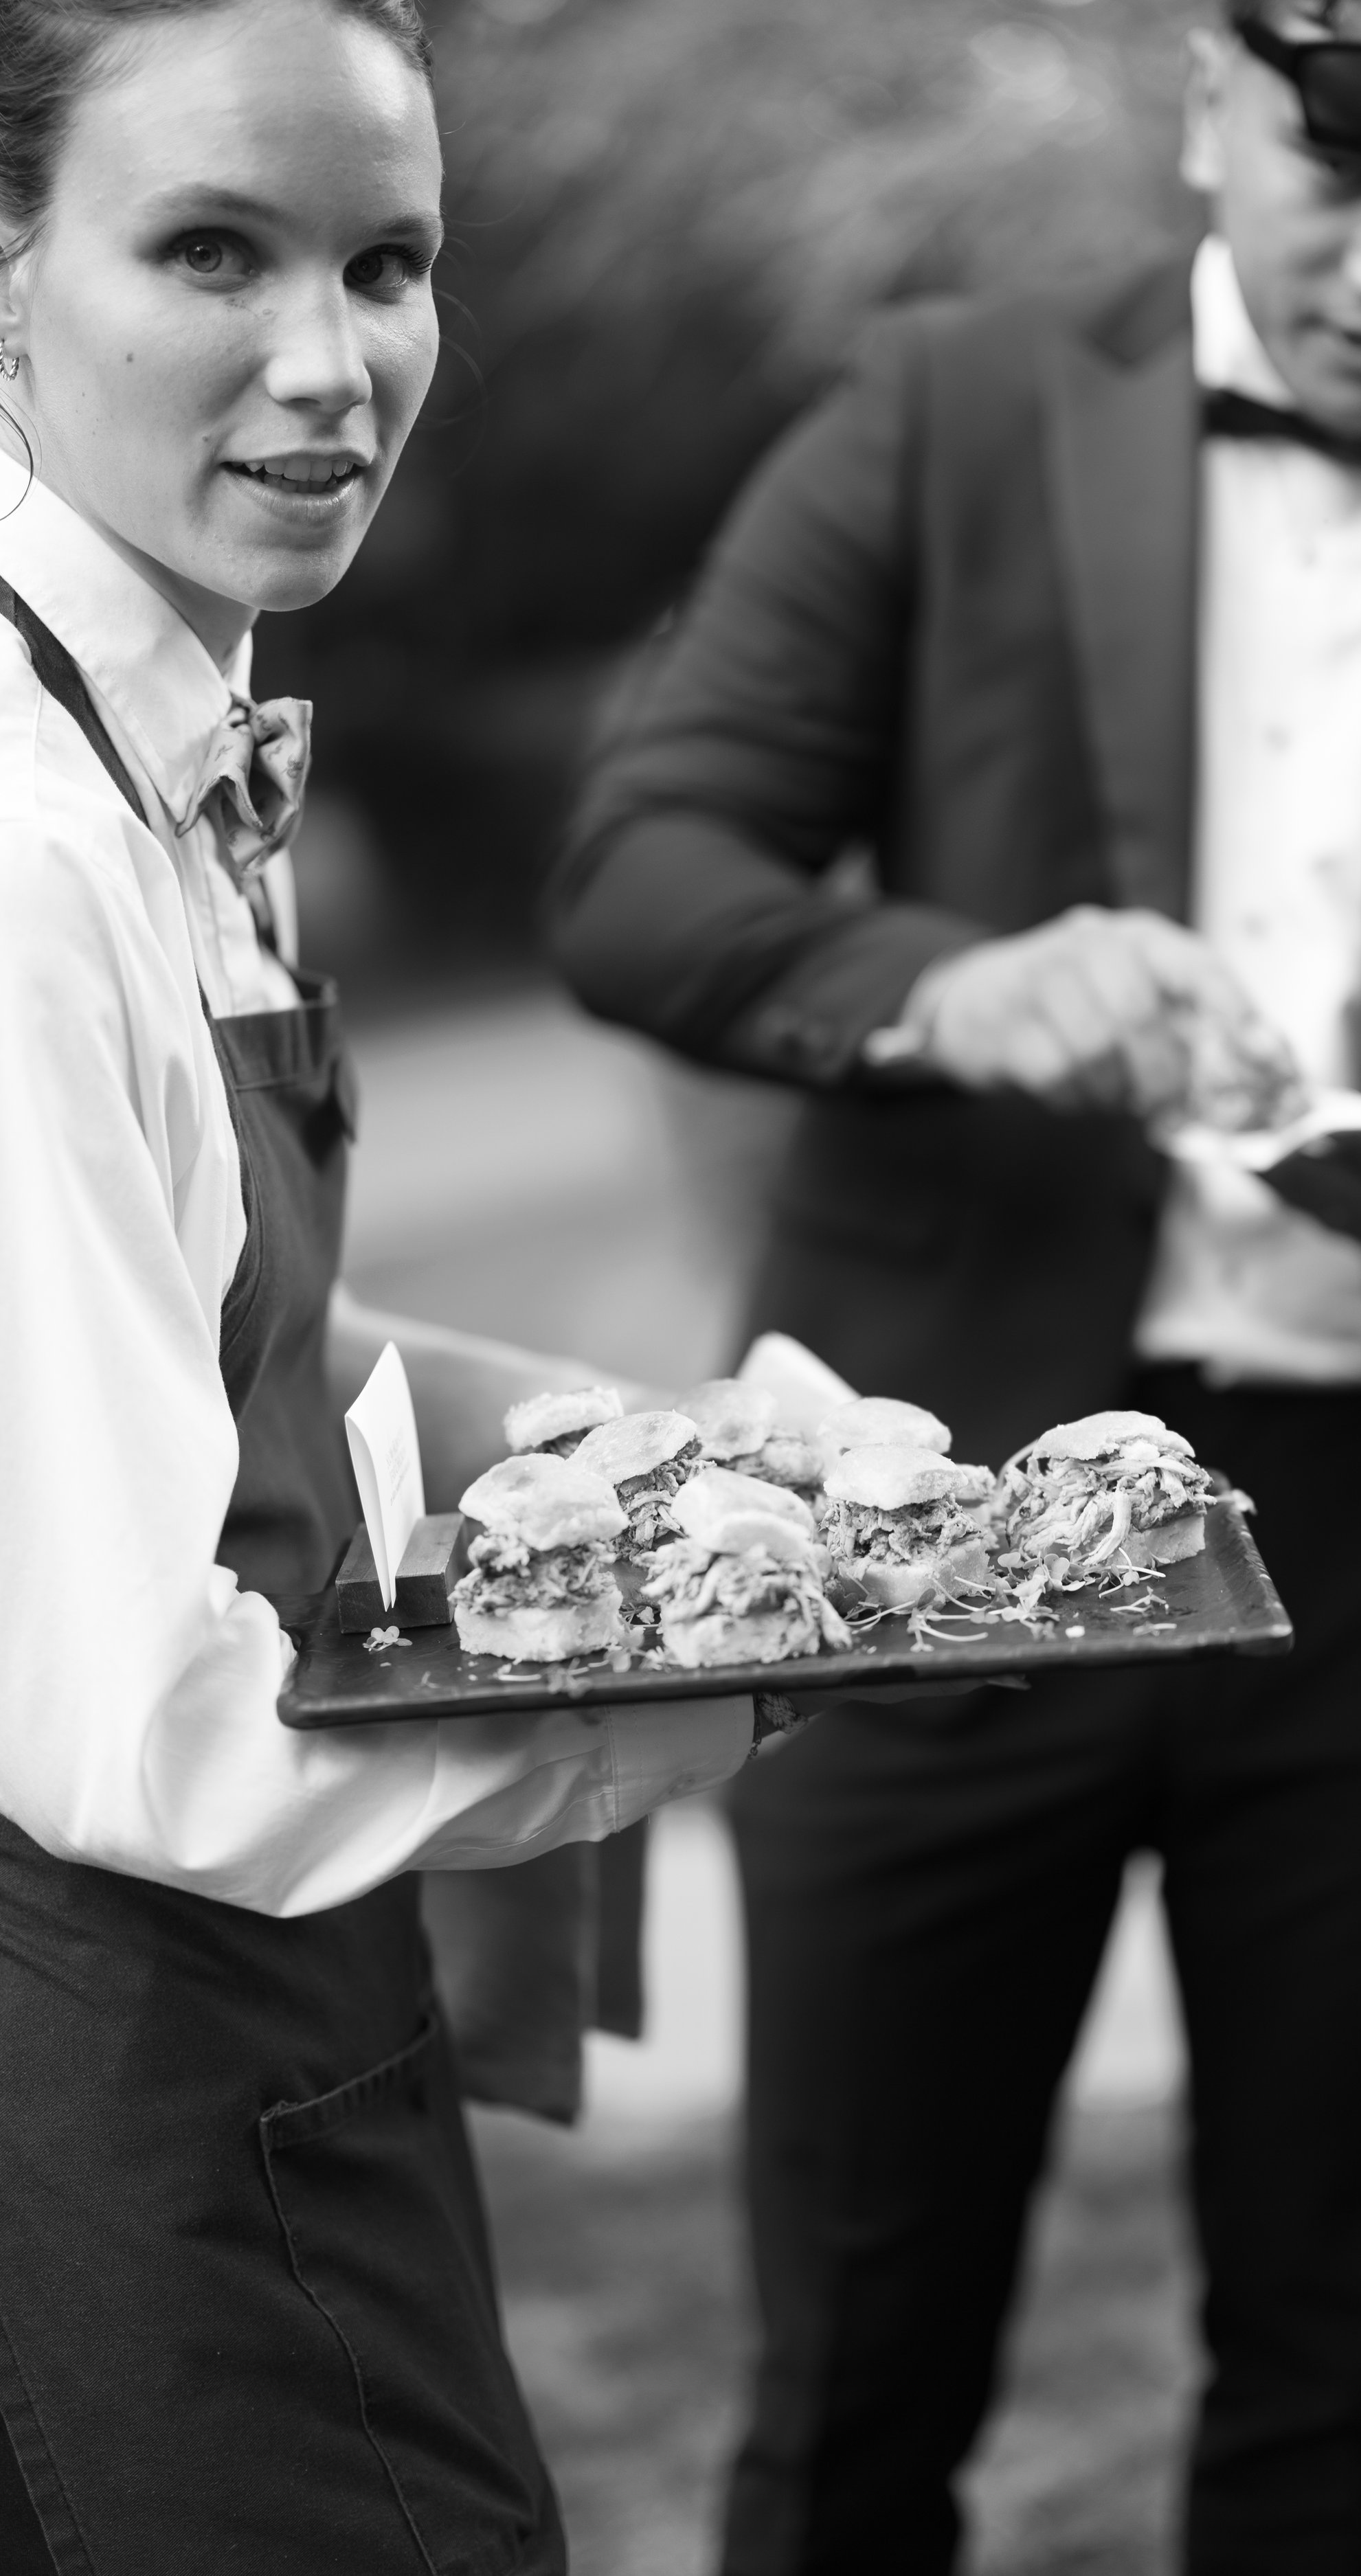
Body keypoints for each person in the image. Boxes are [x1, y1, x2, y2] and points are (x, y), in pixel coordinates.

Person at [550, 0, 1361, 2567]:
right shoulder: (941, 413)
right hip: (946, 1540)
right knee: (855, 2383)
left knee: (1328, 2383)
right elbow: (644, 868)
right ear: (1209, 98)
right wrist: (945, 988)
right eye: (1342, 165)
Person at [0, 1, 754, 2567]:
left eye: (391, 261)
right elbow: (150, 1732)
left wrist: (635, 1446)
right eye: (212, 248)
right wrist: (703, 1698)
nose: (335, 363)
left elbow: (176, 1327)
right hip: (119, 2061)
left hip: (281, 2016)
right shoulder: (19, 851)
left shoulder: (165, 706)